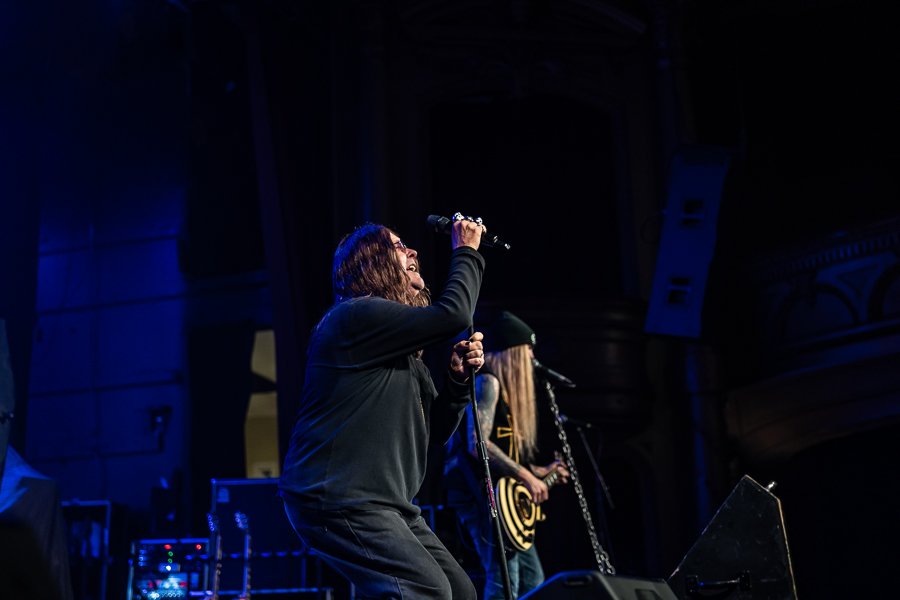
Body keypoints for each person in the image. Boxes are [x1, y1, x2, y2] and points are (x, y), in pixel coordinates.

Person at [279, 215, 488, 599]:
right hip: (337, 496)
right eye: (397, 247)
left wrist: (457, 380)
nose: (413, 252)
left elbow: (437, 431)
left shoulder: (404, 354)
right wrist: (465, 252)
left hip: (388, 505)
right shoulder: (353, 316)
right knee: (428, 590)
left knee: (461, 592)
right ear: (370, 263)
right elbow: (454, 315)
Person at [444, 310, 569, 600]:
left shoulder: (506, 394)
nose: (531, 358)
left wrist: (540, 472)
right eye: (526, 350)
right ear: (512, 353)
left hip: (503, 496)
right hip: (477, 490)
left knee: (533, 579)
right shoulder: (488, 382)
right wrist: (527, 476)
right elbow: (477, 444)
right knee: (505, 580)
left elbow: (503, 453)